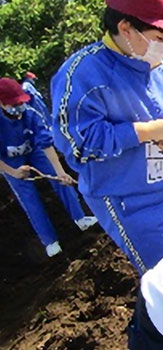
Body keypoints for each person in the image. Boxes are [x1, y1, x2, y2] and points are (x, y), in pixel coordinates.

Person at [51, 0, 163, 274]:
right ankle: (157, 317)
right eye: (158, 38)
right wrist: (146, 131)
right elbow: (78, 144)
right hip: (130, 199)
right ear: (126, 28)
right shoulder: (84, 73)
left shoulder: (160, 71)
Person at [0, 78, 97, 257]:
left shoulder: (30, 113)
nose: (18, 107)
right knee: (28, 197)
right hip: (9, 160)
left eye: (20, 102)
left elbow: (45, 142)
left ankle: (80, 218)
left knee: (59, 179)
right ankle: (50, 242)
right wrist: (14, 172)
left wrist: (60, 172)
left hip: (33, 148)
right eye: (14, 104)